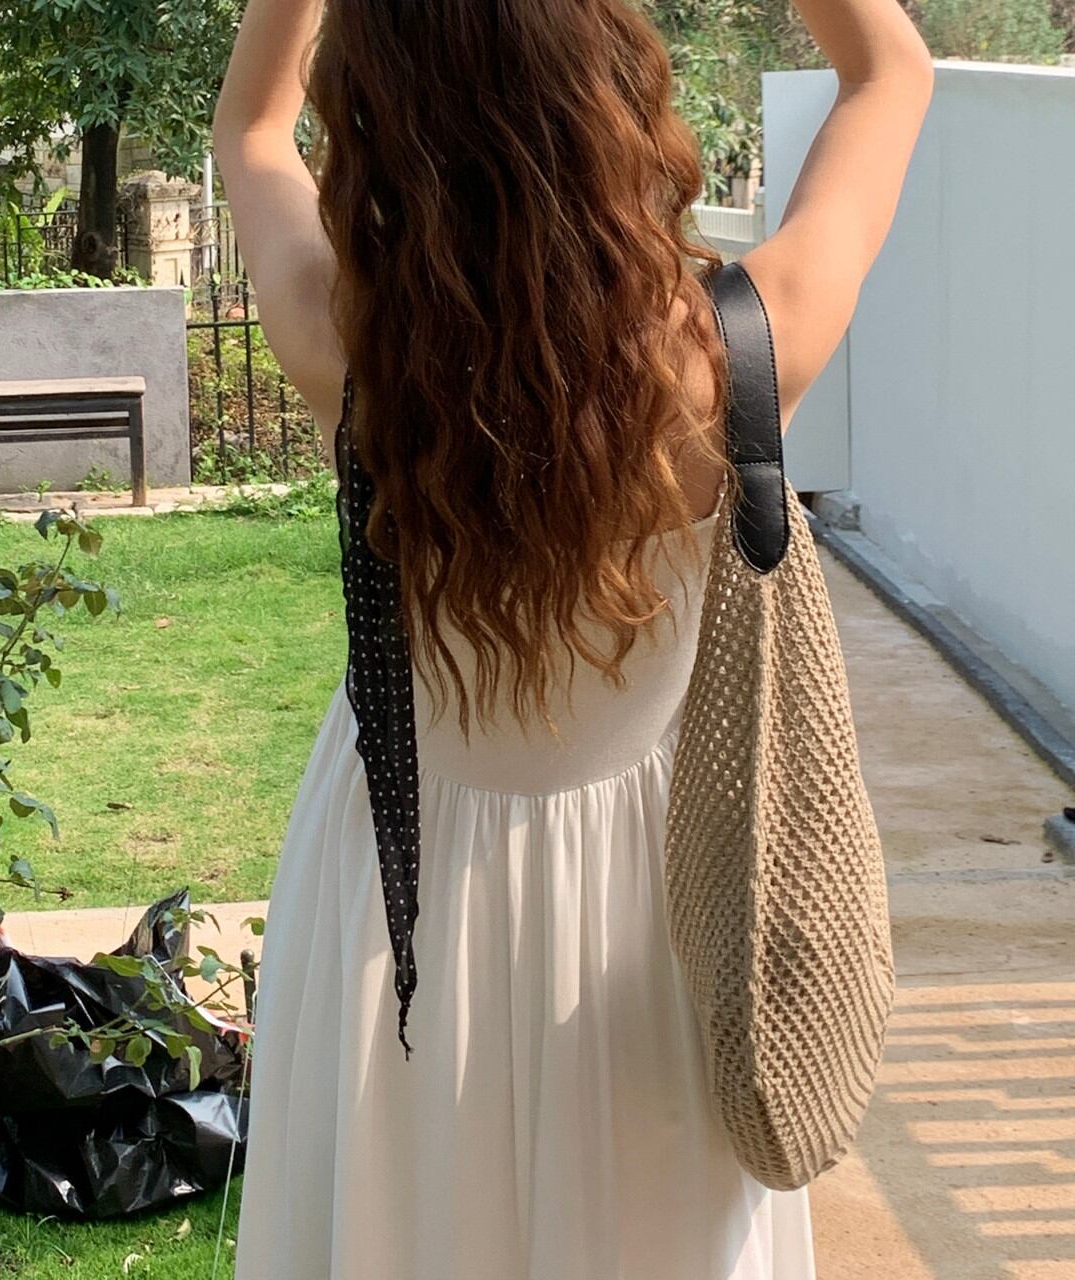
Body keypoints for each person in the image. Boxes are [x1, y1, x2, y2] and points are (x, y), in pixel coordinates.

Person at [214, 1, 933, 1276]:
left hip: (395, 876)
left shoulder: (349, 348)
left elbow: (251, 128)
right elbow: (887, 72)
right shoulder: (737, 352)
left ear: (378, 116)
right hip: (661, 892)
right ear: (615, 97)